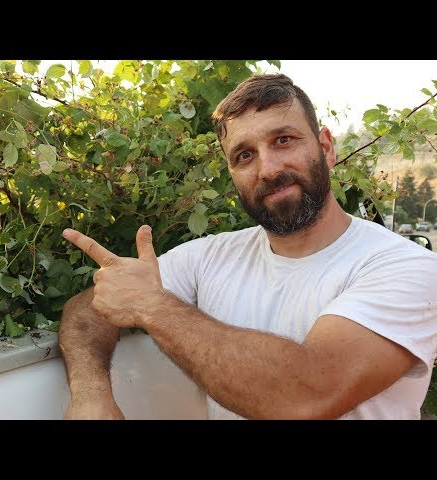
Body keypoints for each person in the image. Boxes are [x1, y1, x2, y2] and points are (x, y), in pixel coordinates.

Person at [58, 73, 437, 420]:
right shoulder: (210, 257)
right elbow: (88, 309)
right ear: (232, 175)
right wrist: (91, 394)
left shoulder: (405, 267)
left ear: (326, 147)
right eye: (244, 155)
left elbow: (305, 395)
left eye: (283, 140)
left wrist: (151, 306)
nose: (268, 168)